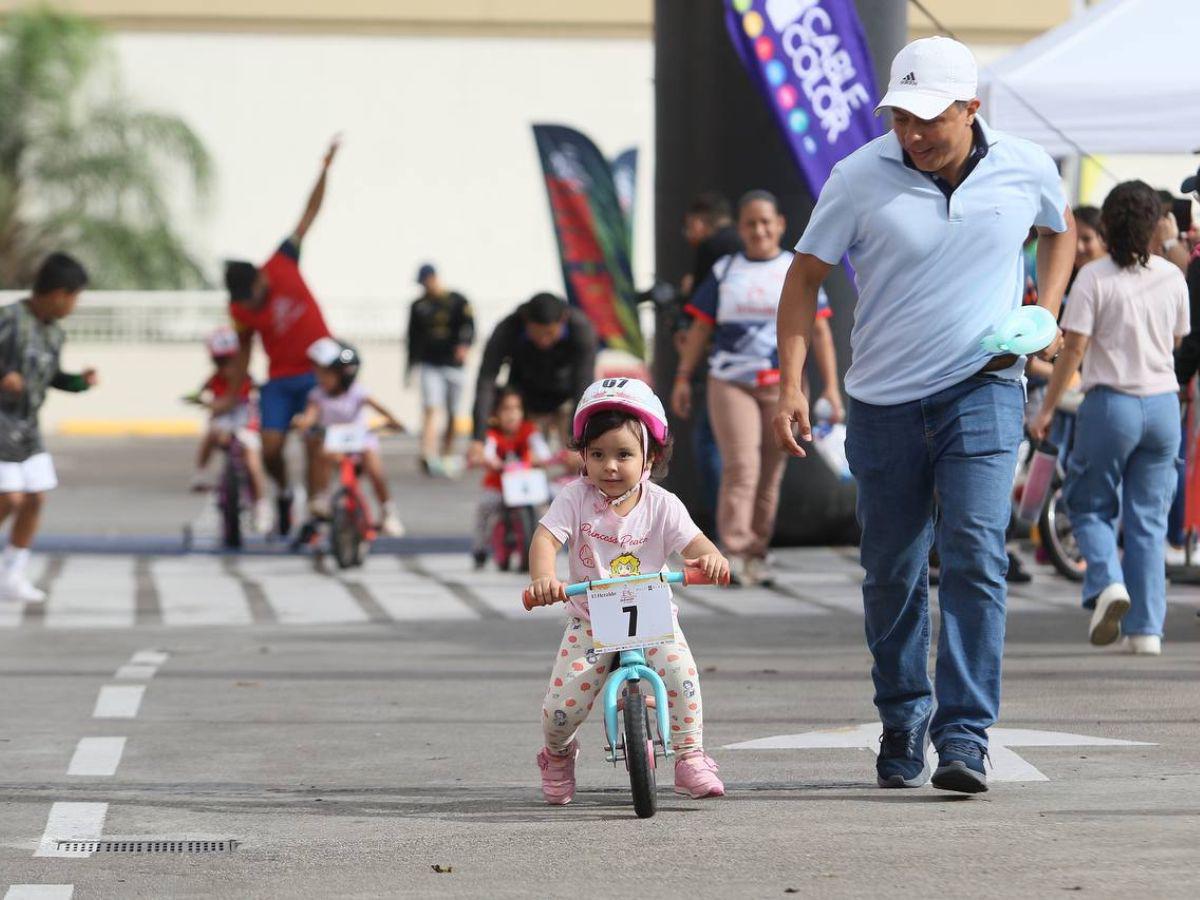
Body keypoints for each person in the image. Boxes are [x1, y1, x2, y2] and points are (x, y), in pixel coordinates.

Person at [774, 36, 1075, 794]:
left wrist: (1048, 305)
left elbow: (1060, 226)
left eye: (929, 119)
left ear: (973, 109)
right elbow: (803, 278)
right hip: (883, 405)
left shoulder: (1026, 166)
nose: (911, 134)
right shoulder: (857, 177)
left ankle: (966, 734)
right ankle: (904, 714)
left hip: (984, 387)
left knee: (975, 551)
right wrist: (791, 386)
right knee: (892, 570)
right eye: (901, 118)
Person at [525, 378, 730, 805]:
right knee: (562, 706)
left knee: (682, 677)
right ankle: (558, 754)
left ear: (650, 456)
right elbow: (545, 539)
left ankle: (690, 755)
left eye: (623, 454)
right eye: (597, 455)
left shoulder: (662, 504)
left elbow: (696, 544)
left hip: (651, 615)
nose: (610, 466)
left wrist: (710, 558)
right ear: (582, 455)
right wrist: (544, 578)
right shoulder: (574, 499)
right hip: (590, 618)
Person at [1031, 182, 1189, 656]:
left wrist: (1046, 408)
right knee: (1148, 519)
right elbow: (1179, 342)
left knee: (1087, 504)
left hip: (1110, 404)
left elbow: (1073, 347)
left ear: (1107, 226)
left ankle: (1107, 581)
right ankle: (1147, 631)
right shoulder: (1172, 276)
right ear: (1154, 223)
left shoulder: (1094, 278)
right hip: (1164, 406)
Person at [672, 190, 841, 586]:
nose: (759, 230)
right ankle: (732, 550)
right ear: (740, 228)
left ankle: (756, 552)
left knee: (770, 472)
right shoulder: (725, 270)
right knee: (741, 466)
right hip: (731, 382)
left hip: (785, 387)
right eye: (750, 223)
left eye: (766, 222)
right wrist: (682, 376)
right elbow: (700, 328)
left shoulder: (796, 269)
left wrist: (831, 388)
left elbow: (820, 330)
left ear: (780, 224)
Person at [225, 136, 339, 536]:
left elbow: (310, 213)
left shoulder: (281, 262)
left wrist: (324, 169)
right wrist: (230, 393)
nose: (252, 308)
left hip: (315, 372)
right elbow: (242, 354)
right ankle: (284, 490)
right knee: (270, 446)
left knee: (313, 440)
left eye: (253, 298)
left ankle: (317, 504)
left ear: (259, 277)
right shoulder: (241, 308)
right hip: (279, 379)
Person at [0, 253, 97, 603]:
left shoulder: (54, 334)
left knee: (35, 497)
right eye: (75, 297)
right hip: (0, 423)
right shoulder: (9, 319)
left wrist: (79, 382)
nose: (74, 305)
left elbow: (51, 377)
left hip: (27, 426)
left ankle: (12, 572)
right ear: (58, 293)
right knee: (9, 498)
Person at [675, 192, 744, 526]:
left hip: (725, 363)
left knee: (709, 441)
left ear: (700, 222)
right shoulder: (757, 255)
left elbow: (700, 312)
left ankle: (723, 523)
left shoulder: (712, 250)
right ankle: (745, 532)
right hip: (766, 364)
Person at [292, 340, 405, 537]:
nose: (321, 378)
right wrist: (302, 422)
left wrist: (394, 421)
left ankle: (388, 510)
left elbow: (379, 408)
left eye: (325, 373)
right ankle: (322, 496)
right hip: (335, 442)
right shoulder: (318, 395)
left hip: (360, 440)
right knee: (322, 455)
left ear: (342, 374)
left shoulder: (357, 392)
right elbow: (310, 416)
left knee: (375, 470)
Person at [469, 292, 597, 454]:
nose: (544, 340)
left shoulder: (581, 329)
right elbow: (487, 380)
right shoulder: (507, 329)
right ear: (526, 321)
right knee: (528, 459)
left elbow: (583, 383)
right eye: (537, 333)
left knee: (579, 459)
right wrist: (478, 438)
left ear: (562, 320)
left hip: (567, 398)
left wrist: (577, 439)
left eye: (550, 333)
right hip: (528, 399)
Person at [189, 326, 272, 534]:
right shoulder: (214, 378)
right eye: (220, 361)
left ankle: (261, 504)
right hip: (222, 422)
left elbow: (252, 394)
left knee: (252, 459)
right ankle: (201, 472)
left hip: (245, 422)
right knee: (210, 436)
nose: (226, 367)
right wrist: (196, 398)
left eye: (229, 360)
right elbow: (200, 391)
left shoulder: (245, 378)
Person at [471, 387, 553, 569]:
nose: (512, 414)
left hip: (525, 485)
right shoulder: (493, 435)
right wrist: (490, 460)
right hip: (498, 485)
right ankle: (480, 548)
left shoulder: (528, 430)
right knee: (485, 507)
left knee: (546, 508)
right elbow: (488, 450)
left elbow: (541, 449)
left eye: (517, 409)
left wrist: (542, 458)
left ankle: (545, 548)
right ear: (495, 413)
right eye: (506, 409)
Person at [406, 262, 474, 475]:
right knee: (430, 407)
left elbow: (469, 325)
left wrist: (464, 346)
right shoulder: (418, 306)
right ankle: (427, 452)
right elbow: (412, 337)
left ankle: (447, 450)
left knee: (453, 410)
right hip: (430, 363)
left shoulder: (457, 300)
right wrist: (410, 366)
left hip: (453, 365)